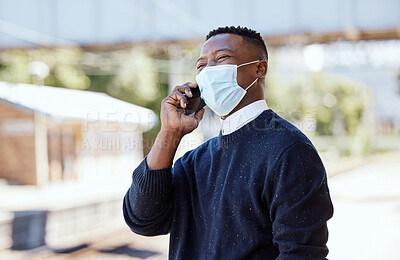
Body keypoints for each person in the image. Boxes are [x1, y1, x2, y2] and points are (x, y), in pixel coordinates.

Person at [123, 26, 334, 259]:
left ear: (260, 68)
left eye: (221, 58)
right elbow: (143, 220)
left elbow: (302, 253)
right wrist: (169, 134)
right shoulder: (194, 162)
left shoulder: (290, 151)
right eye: (201, 66)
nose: (208, 71)